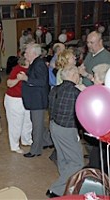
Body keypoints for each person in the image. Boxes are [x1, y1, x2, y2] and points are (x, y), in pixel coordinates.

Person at [46, 66, 84, 198]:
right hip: (67, 129)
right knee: (77, 162)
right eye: (78, 75)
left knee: (63, 158)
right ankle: (56, 189)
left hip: (54, 126)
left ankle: (66, 185)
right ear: (74, 76)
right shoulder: (75, 92)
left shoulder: (55, 89)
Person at [19, 43, 53, 158]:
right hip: (35, 99)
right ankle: (47, 141)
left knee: (37, 126)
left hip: (38, 100)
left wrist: (26, 78)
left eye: (27, 52)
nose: (25, 54)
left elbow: (41, 82)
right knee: (39, 124)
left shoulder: (39, 64)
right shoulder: (35, 63)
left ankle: (35, 150)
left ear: (33, 53)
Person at [86, 63, 110, 184]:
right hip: (104, 133)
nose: (92, 79)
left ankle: (104, 185)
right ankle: (107, 181)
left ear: (102, 79)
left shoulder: (105, 94)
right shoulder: (106, 91)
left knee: (99, 160)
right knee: (103, 159)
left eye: (94, 76)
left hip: (107, 134)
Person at [4, 56, 32, 154]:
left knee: (28, 121)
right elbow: (9, 83)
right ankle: (14, 146)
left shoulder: (32, 69)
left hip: (27, 99)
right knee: (15, 123)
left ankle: (26, 140)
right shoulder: (17, 69)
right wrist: (18, 79)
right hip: (14, 99)